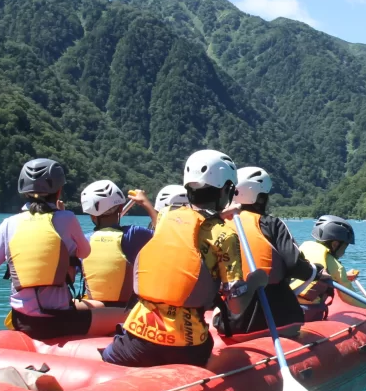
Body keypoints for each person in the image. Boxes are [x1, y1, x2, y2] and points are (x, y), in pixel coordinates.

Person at [102, 150, 263, 367]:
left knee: (106, 356)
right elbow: (235, 305)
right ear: (225, 189)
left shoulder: (167, 216)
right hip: (187, 348)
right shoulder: (226, 236)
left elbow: (192, 223)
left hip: (135, 342)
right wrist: (255, 282)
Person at [0, 158, 95, 340]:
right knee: (114, 314)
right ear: (59, 190)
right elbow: (85, 253)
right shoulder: (67, 219)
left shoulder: (9, 224)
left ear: (24, 191)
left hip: (22, 320)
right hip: (59, 320)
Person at [221, 167, 327, 336]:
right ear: (261, 198)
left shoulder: (220, 225)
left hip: (232, 321)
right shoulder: (272, 224)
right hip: (275, 319)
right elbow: (294, 264)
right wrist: (317, 272)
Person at [79, 179, 156, 307]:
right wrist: (145, 203)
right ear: (120, 207)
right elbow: (163, 234)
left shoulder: (84, 240)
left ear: (91, 214)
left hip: (95, 312)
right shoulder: (133, 234)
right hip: (126, 312)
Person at [292, 215, 365, 322]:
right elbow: (349, 297)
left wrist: (346, 276)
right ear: (335, 244)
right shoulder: (336, 266)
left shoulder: (303, 248)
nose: (344, 252)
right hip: (305, 312)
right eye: (345, 247)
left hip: (286, 305)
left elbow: (312, 273)